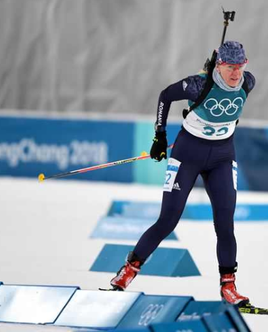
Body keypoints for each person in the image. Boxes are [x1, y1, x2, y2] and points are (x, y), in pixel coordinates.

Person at [110, 41, 256, 307]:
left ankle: (228, 287)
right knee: (168, 220)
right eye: (230, 67)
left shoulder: (248, 82)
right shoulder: (198, 84)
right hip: (188, 155)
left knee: (225, 224)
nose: (237, 74)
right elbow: (166, 95)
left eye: (241, 67)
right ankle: (129, 269)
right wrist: (159, 135)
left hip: (222, 158)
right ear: (219, 65)